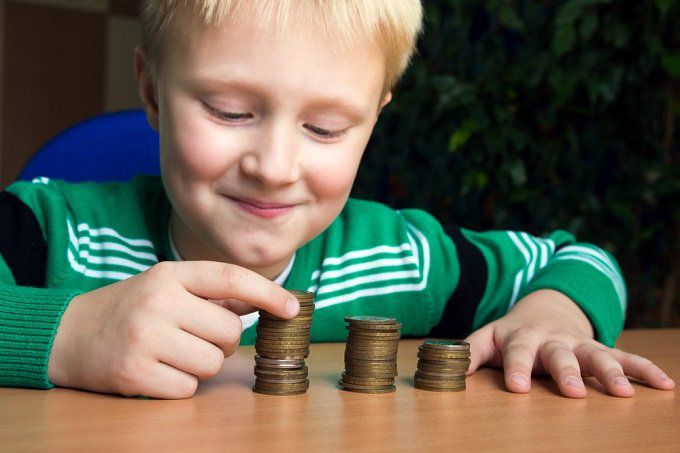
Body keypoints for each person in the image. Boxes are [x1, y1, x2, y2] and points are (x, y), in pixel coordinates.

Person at [0, 0, 674, 400]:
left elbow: (577, 258)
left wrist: (554, 313)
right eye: (230, 110)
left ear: (373, 120)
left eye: (324, 128)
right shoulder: (54, 229)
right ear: (150, 92)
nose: (274, 166)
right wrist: (65, 334)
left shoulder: (399, 258)